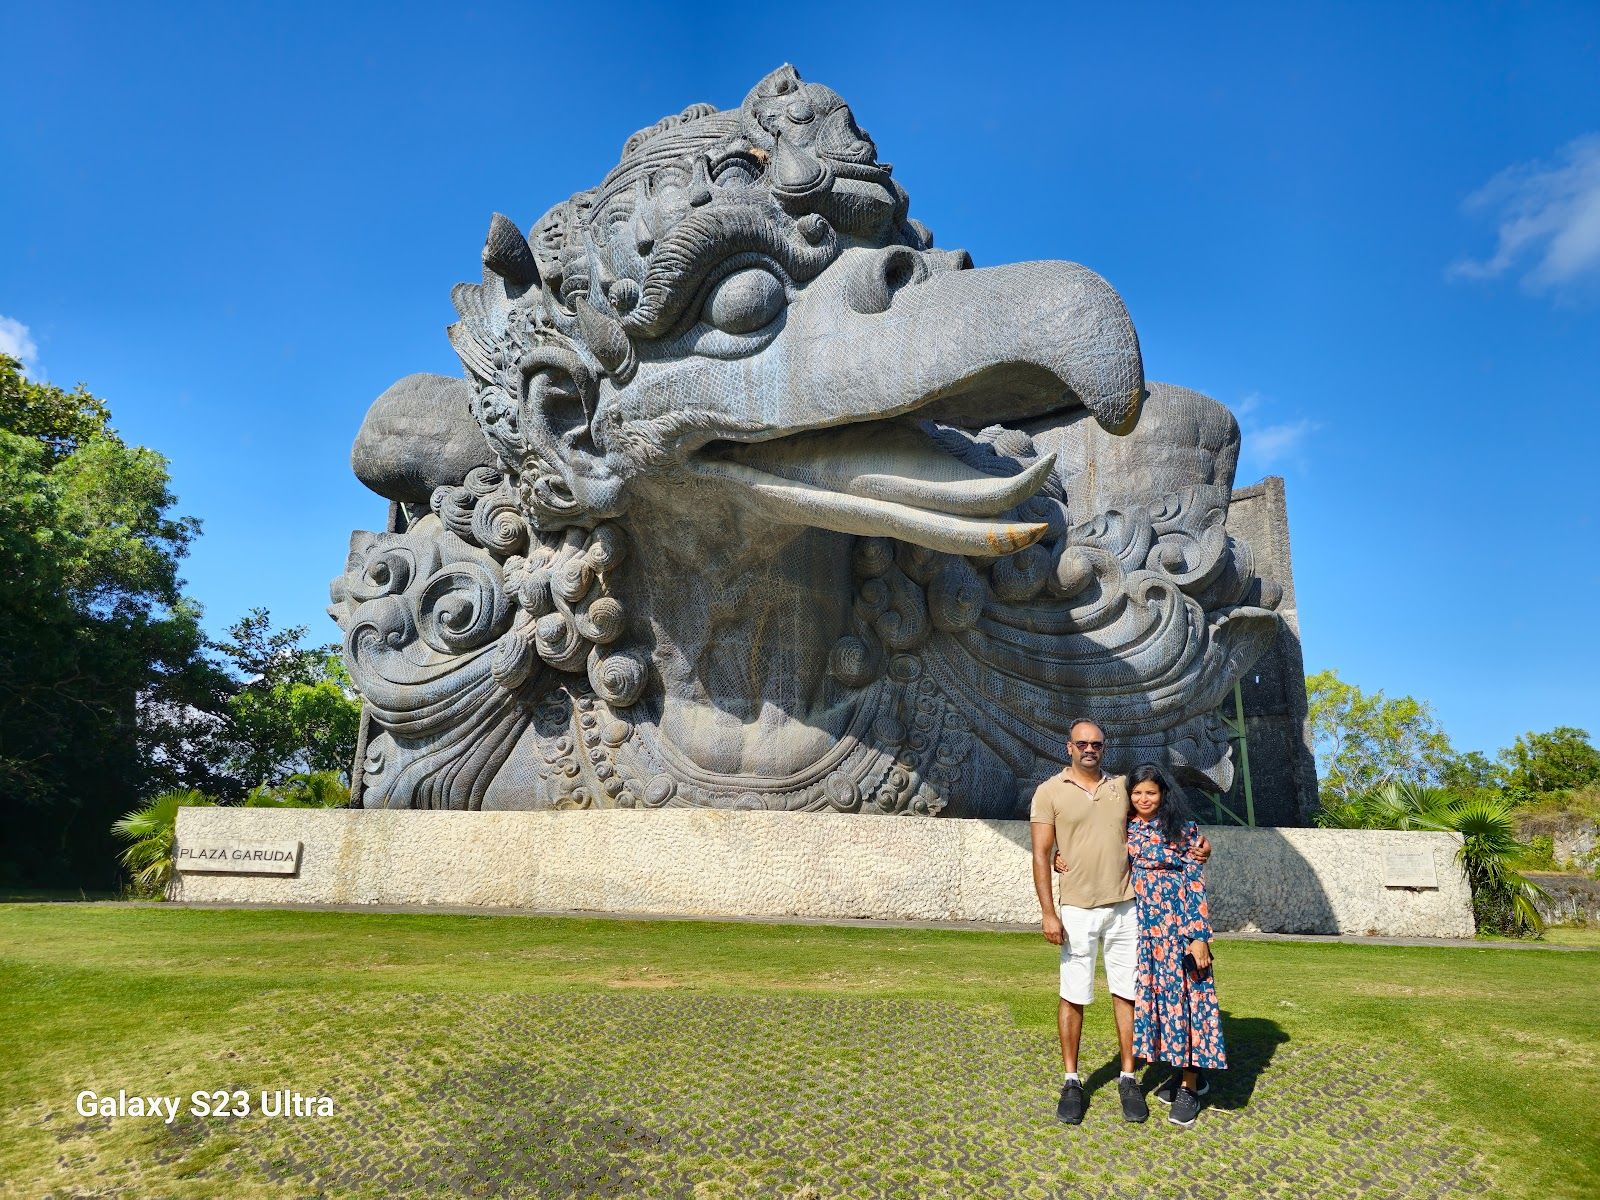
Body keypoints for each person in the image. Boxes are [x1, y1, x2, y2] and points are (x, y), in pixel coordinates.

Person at [1029, 719, 1210, 1125]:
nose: (1089, 749)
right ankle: (1072, 1081)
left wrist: (1200, 845)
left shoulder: (1121, 789)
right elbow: (1041, 853)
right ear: (1069, 747)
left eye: (1096, 744)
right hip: (1077, 908)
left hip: (1126, 907)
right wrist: (1048, 911)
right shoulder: (1049, 791)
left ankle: (1129, 1077)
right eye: (1082, 743)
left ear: (1103, 748)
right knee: (1073, 994)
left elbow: (1158, 818)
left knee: (1128, 994)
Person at [1124, 763, 1227, 1128]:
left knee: (1189, 1003)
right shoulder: (1126, 829)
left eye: (1150, 792)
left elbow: (1195, 883)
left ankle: (1189, 1086)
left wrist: (1199, 937)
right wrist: (1060, 858)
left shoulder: (1184, 830)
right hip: (1146, 933)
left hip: (1179, 928)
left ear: (1163, 794)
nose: (1144, 799)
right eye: (1137, 793)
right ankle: (1180, 1072)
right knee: (1164, 1007)